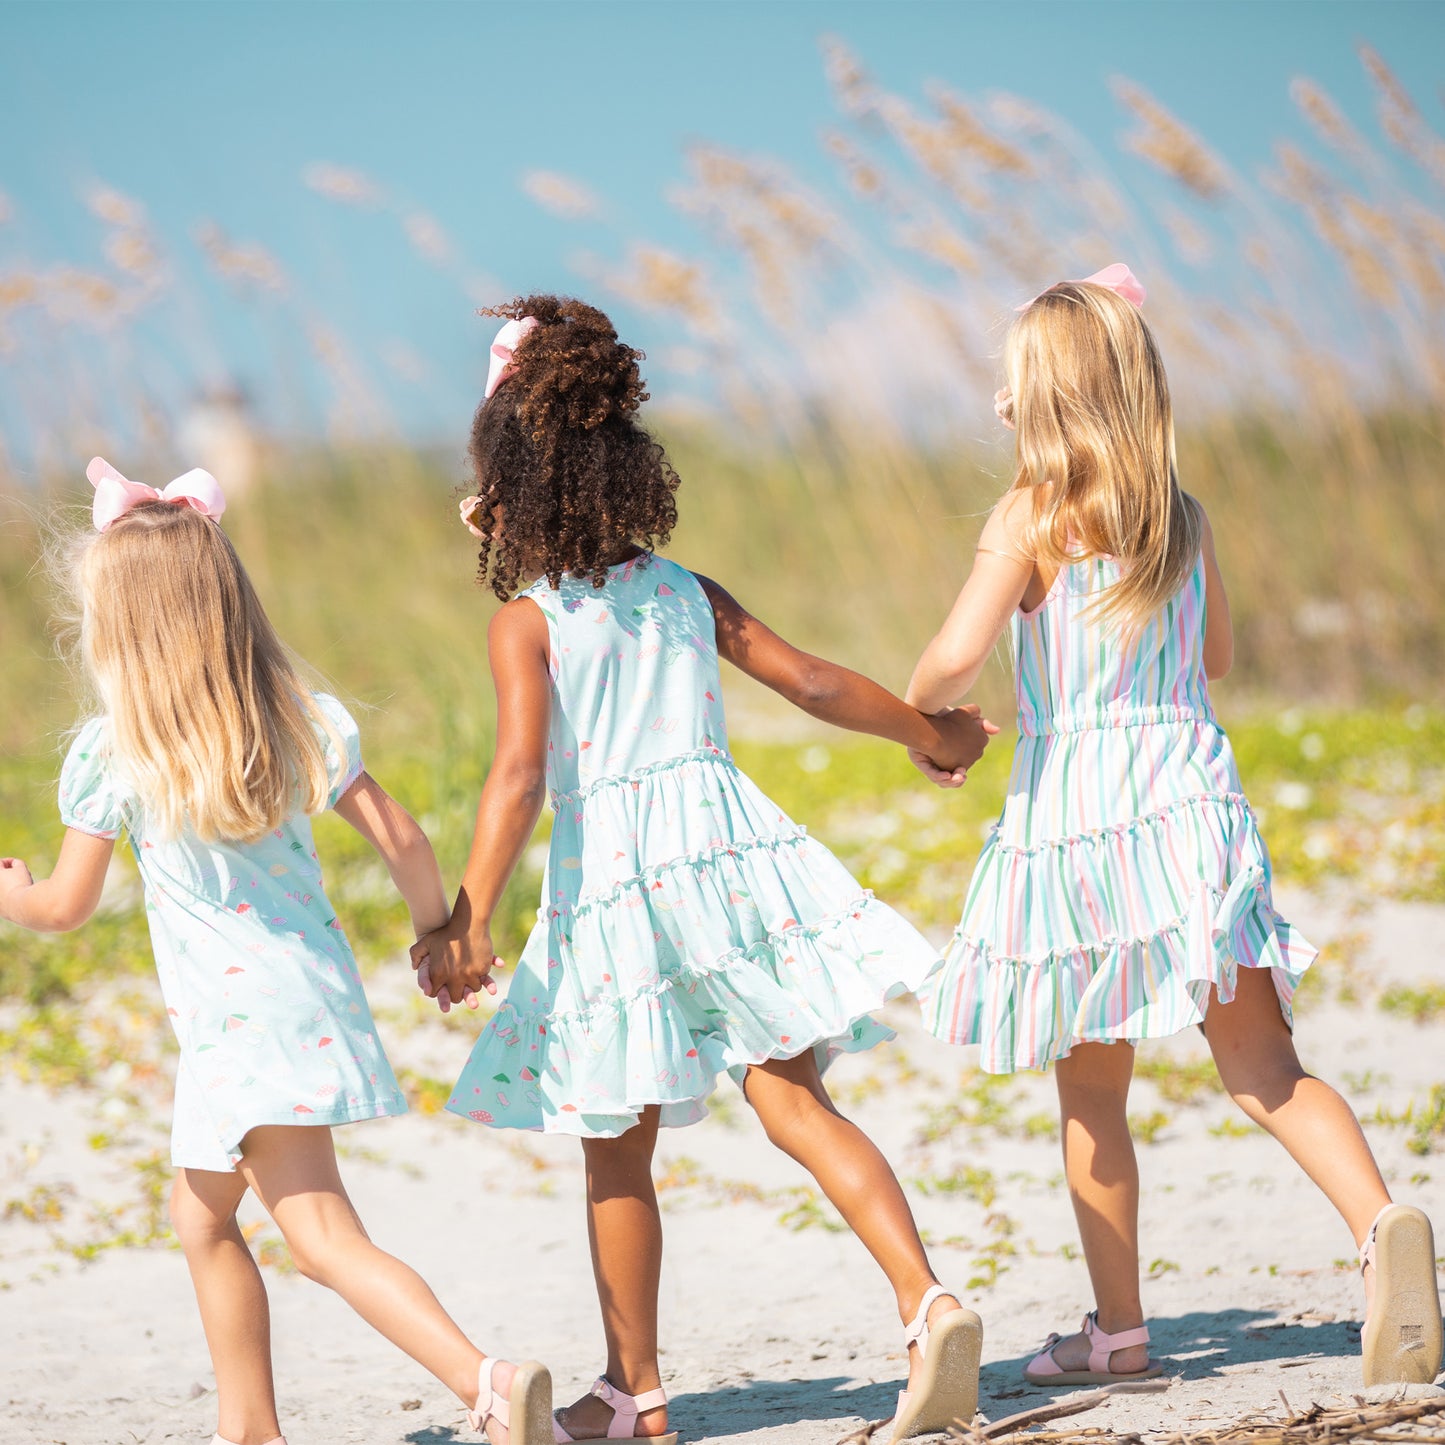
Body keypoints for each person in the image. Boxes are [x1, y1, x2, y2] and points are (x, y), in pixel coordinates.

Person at [412, 296, 994, 1443]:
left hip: (619, 898)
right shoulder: (686, 592)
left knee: (614, 1144)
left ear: (510, 487)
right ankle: (924, 1300)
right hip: (727, 870)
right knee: (796, 1101)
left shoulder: (528, 623)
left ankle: (635, 1389)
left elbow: (517, 778)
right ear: (624, 465)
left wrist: (468, 916)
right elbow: (816, 682)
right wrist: (932, 733)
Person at [904, 266, 1443, 1389]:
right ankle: (1379, 1218)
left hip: (1083, 822)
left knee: (1091, 1094)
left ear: (1035, 399)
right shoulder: (1179, 518)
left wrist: (927, 709)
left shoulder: (1029, 513)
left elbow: (952, 656)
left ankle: (1117, 1332)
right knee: (1263, 1067)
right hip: (1190, 801)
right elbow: (1216, 660)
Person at [0, 459, 553, 1445]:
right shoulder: (300, 721)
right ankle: (248, 1425)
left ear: (114, 629)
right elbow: (408, 841)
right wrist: (439, 931)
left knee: (326, 1239)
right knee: (200, 1217)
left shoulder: (113, 751)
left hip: (236, 1033)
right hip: (295, 1011)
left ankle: (488, 1378)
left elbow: (63, 906)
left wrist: (12, 890)